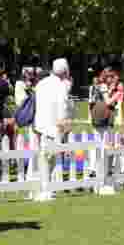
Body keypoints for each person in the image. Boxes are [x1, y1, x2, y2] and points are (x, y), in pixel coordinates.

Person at [33, 58, 72, 200]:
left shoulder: (41, 83)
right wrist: (63, 125)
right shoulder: (61, 85)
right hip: (53, 125)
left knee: (43, 156)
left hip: (39, 124)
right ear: (64, 71)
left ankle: (44, 187)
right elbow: (63, 106)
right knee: (50, 157)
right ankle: (46, 189)